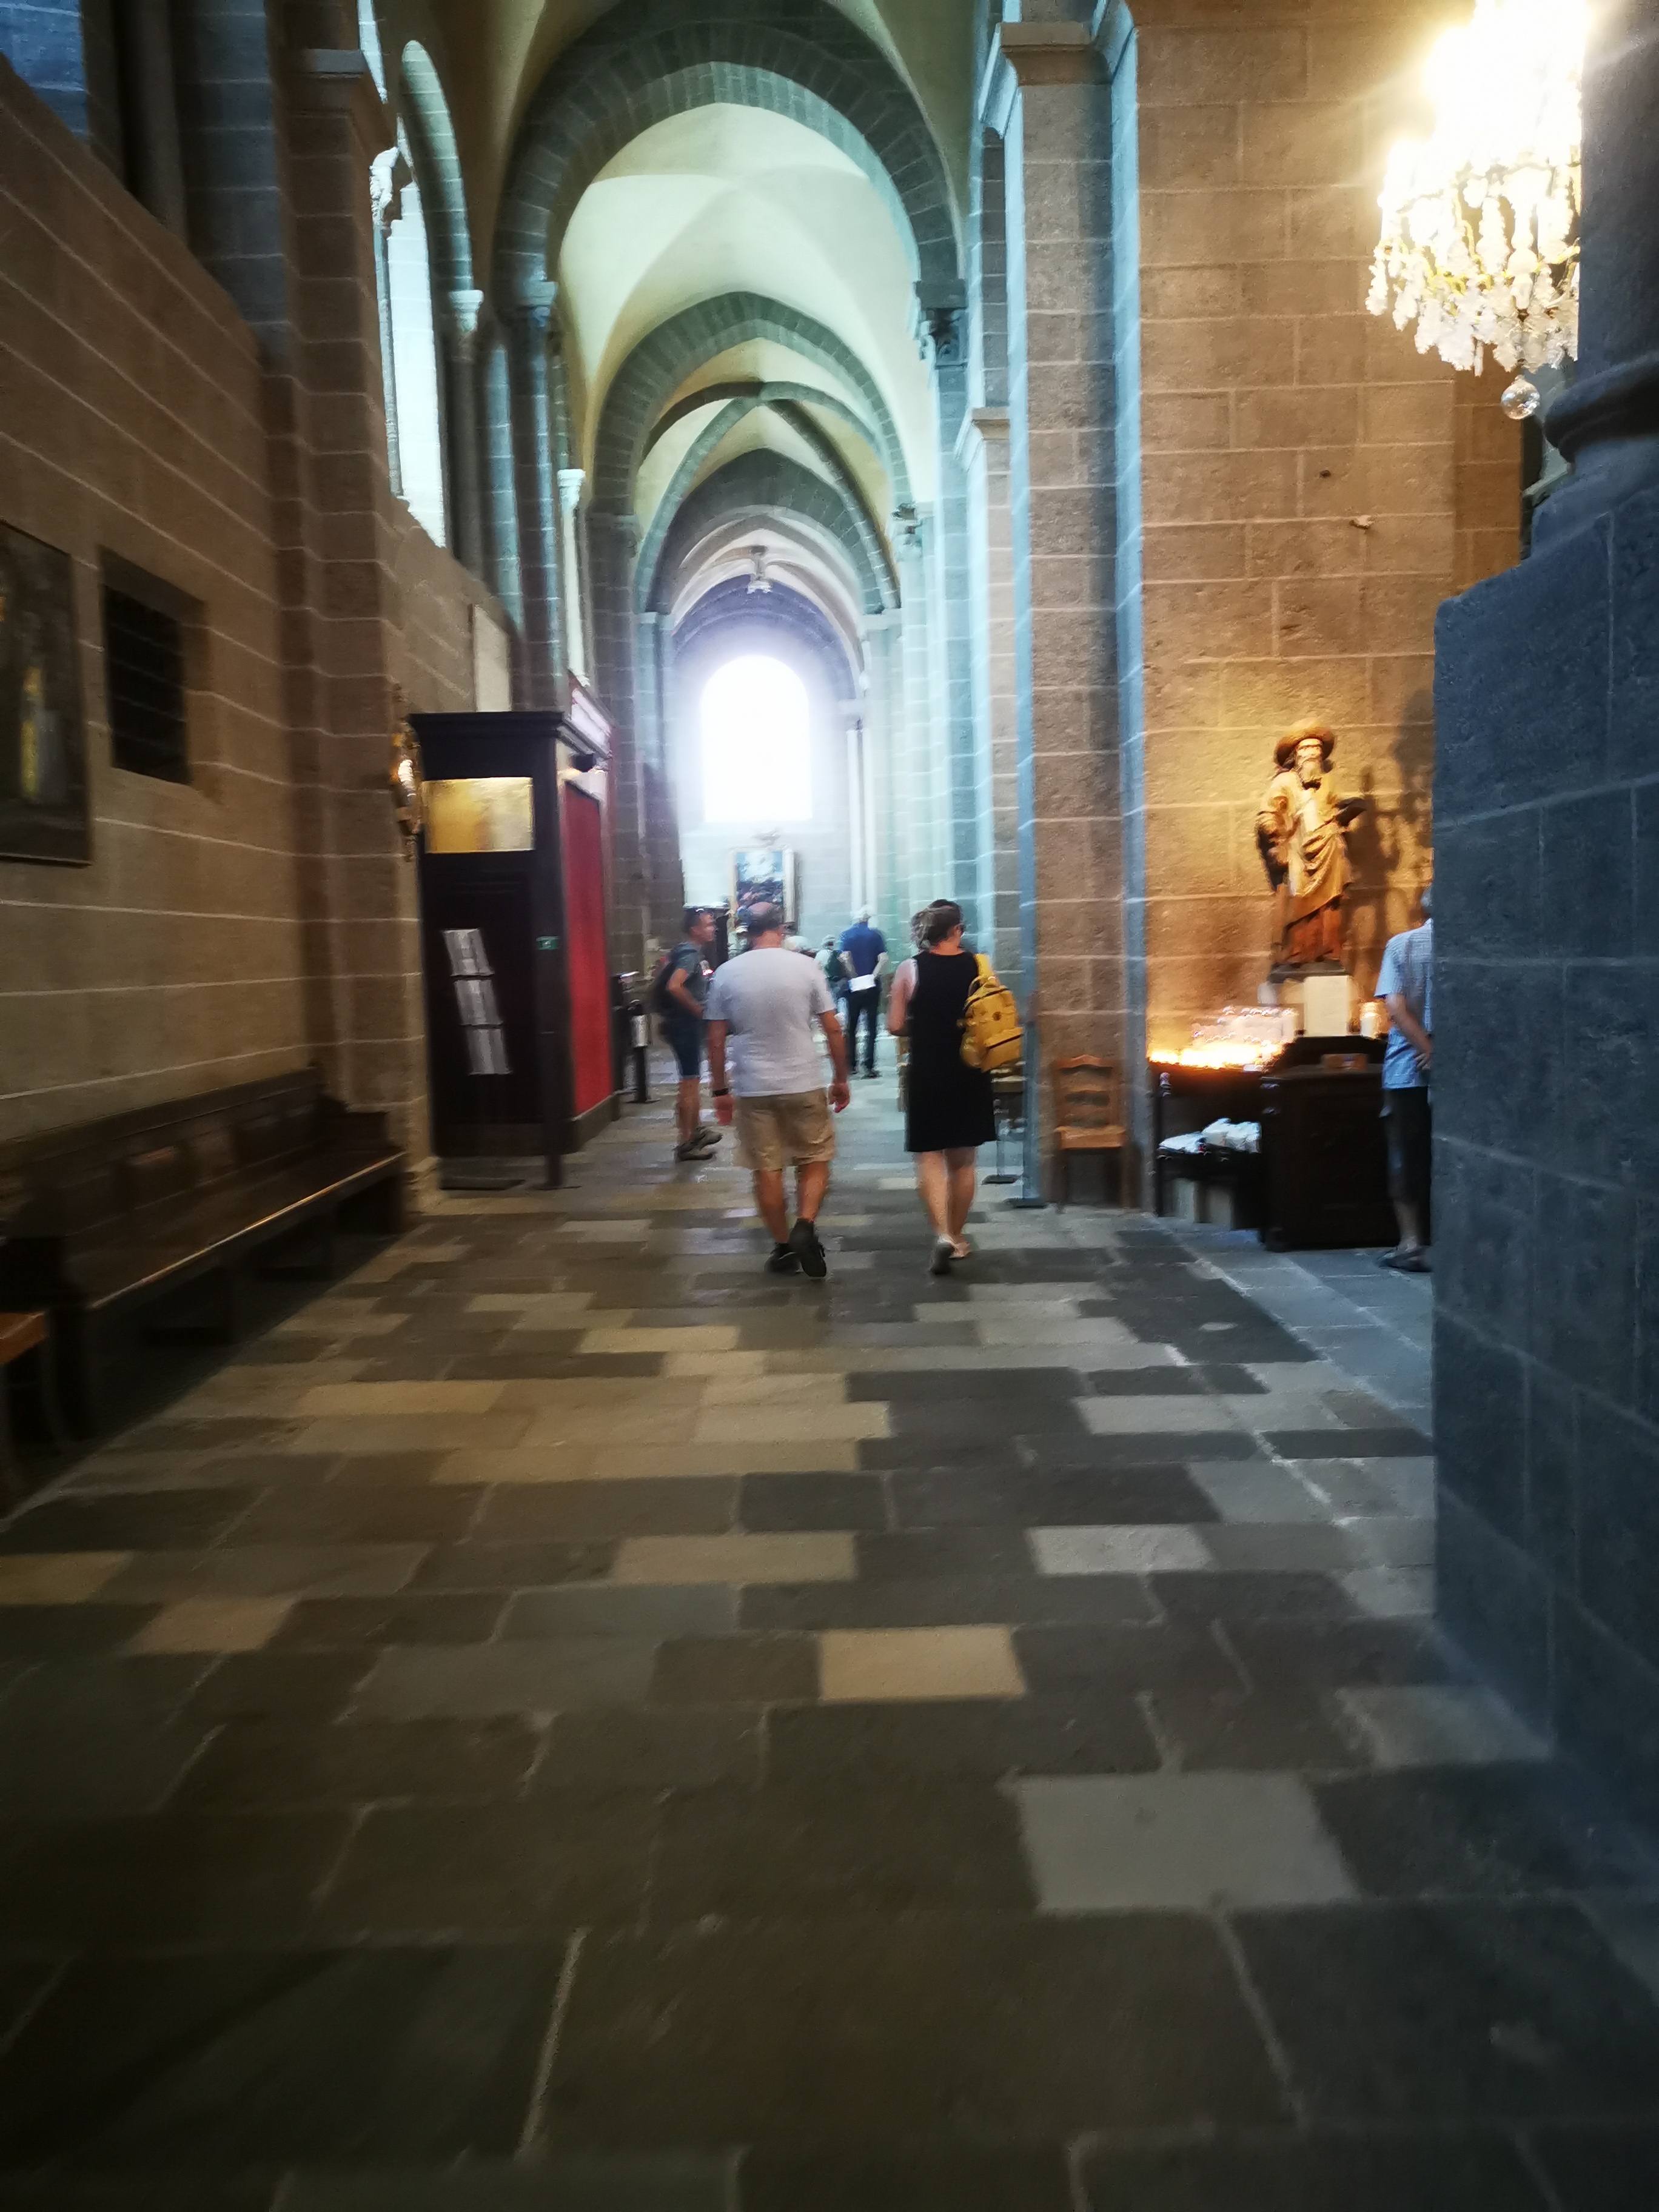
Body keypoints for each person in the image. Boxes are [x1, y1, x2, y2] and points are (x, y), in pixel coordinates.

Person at [706, 902, 851, 1278]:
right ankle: (805, 1222)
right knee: (814, 1157)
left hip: (753, 1084)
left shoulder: (726, 973)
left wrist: (720, 1090)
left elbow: (716, 1038)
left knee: (766, 1169)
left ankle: (784, 1247)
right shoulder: (806, 967)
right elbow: (832, 1027)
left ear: (745, 931)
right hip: (803, 1079)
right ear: (782, 928)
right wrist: (840, 1078)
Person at [886, 899, 996, 1275]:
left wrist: (926, 1027)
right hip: (971, 1068)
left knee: (929, 1157)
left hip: (929, 1069)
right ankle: (959, 1237)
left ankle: (942, 1234)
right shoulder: (980, 965)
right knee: (964, 1161)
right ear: (956, 930)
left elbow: (894, 1024)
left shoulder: (910, 968)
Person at [1255, 722, 1367, 968]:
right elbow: (1267, 814)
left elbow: (1340, 804)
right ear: (1297, 755)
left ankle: (1329, 951)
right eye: (1306, 750)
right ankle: (1297, 951)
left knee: (1330, 903)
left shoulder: (1328, 782)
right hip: (1299, 850)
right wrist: (1276, 836)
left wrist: (1353, 808)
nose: (1312, 755)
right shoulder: (1285, 782)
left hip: (1329, 848)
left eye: (1317, 750)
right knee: (1299, 900)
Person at [1376, 884, 1433, 1273]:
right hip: (1460, 1067)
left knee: (1405, 1154)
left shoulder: (1402, 945)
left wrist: (1426, 1049)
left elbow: (1395, 1006)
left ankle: (1411, 1242)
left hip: (1408, 1068)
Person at [659, 908, 720, 1162]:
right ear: (695, 930)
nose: (713, 929)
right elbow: (675, 985)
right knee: (690, 1083)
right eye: (708, 925)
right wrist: (696, 1008)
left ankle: (695, 1131)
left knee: (691, 1080)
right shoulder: (690, 954)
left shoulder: (685, 952)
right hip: (685, 1026)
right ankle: (686, 1142)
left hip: (682, 1025)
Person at [837, 906, 888, 1078]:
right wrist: (873, 976)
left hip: (854, 986)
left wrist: (854, 976)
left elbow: (845, 957)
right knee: (871, 1026)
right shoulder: (876, 935)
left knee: (852, 1026)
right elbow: (883, 958)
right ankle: (869, 1065)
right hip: (872, 986)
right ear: (868, 919)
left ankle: (851, 1064)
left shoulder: (847, 935)